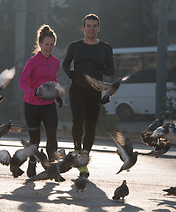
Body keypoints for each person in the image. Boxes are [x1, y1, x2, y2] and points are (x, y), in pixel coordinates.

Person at [62, 14, 115, 178]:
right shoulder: (75, 46)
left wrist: (101, 67)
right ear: (83, 28)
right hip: (77, 90)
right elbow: (65, 63)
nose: (91, 29)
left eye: (94, 26)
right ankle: (77, 150)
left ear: (98, 29)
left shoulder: (105, 48)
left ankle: (83, 160)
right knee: (77, 122)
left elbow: (111, 71)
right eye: (88, 26)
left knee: (91, 127)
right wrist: (69, 73)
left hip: (94, 92)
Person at [19, 24, 60, 178]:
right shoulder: (33, 62)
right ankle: (32, 162)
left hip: (49, 104)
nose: (49, 48)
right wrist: (34, 92)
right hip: (32, 105)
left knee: (52, 135)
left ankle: (52, 166)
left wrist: (58, 94)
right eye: (46, 44)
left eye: (52, 45)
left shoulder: (56, 62)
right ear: (40, 44)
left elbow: (54, 80)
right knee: (35, 139)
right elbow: (21, 83)